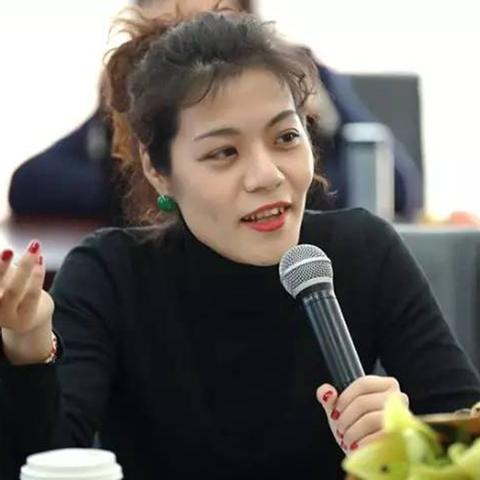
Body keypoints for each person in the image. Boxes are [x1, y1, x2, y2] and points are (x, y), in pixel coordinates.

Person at [0, 9, 478, 480]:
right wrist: (28, 350)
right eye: (223, 152)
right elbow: (42, 463)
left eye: (286, 137)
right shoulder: (111, 274)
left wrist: (410, 440)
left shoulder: (364, 251)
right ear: (158, 170)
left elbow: (467, 430)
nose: (266, 176)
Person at [7, 0, 422, 224]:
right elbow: (30, 184)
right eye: (222, 151)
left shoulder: (303, 76)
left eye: (284, 136)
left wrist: (302, 185)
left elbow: (397, 187)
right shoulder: (137, 95)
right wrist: (150, 190)